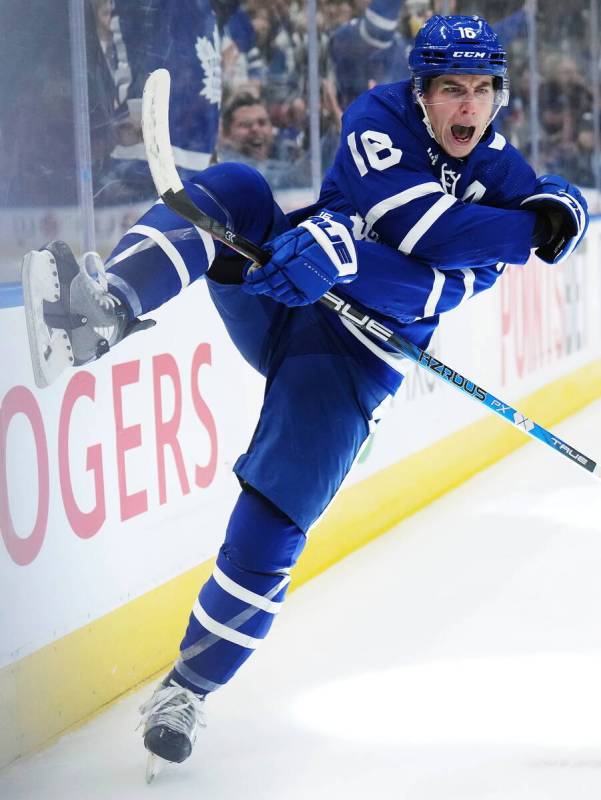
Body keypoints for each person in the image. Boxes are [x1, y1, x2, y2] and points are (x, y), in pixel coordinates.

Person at [21, 14, 588, 778]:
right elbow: (416, 222)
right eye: (449, 88)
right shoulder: (378, 116)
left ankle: (187, 689)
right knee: (235, 189)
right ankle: (103, 311)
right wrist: (530, 227)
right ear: (420, 91)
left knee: (273, 523)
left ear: (498, 97)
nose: (465, 105)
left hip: (354, 356)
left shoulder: (504, 172)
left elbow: (437, 277)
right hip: (283, 287)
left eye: (481, 90)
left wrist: (544, 214)